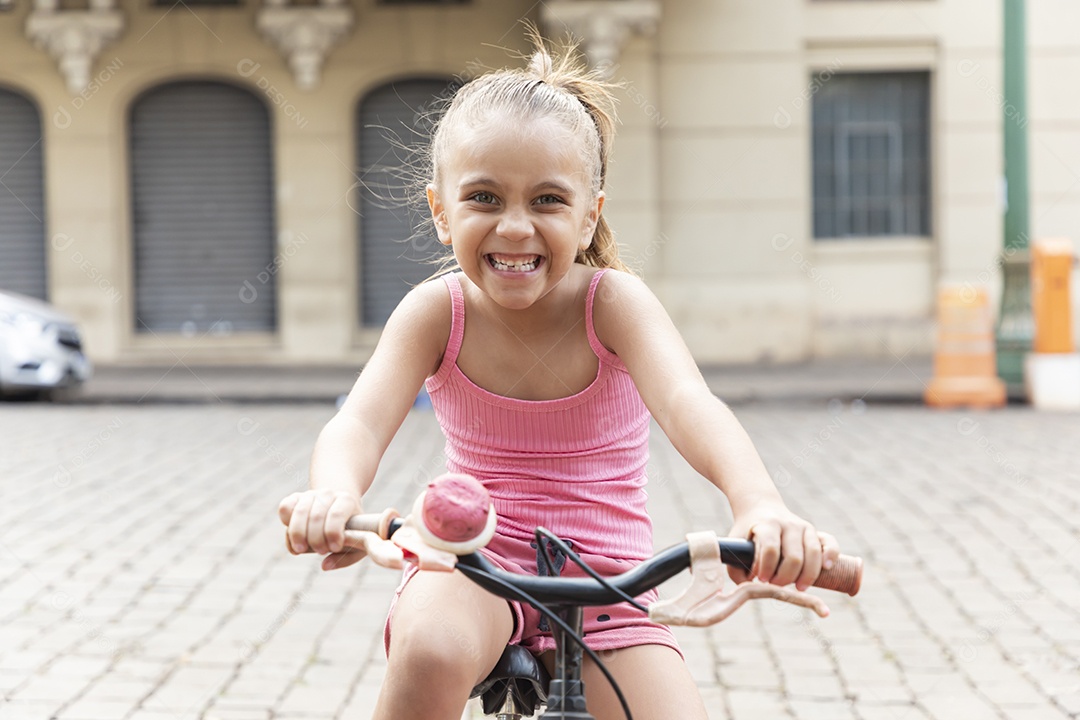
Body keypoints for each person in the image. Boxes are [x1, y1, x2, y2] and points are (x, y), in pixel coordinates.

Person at [278, 32, 841, 720]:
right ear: (440, 209)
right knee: (428, 653)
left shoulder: (615, 304)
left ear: (589, 216)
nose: (515, 227)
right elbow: (359, 421)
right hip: (474, 561)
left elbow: (691, 403)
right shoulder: (435, 312)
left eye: (547, 200)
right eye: (484, 197)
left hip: (609, 577)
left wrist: (760, 506)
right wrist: (334, 494)